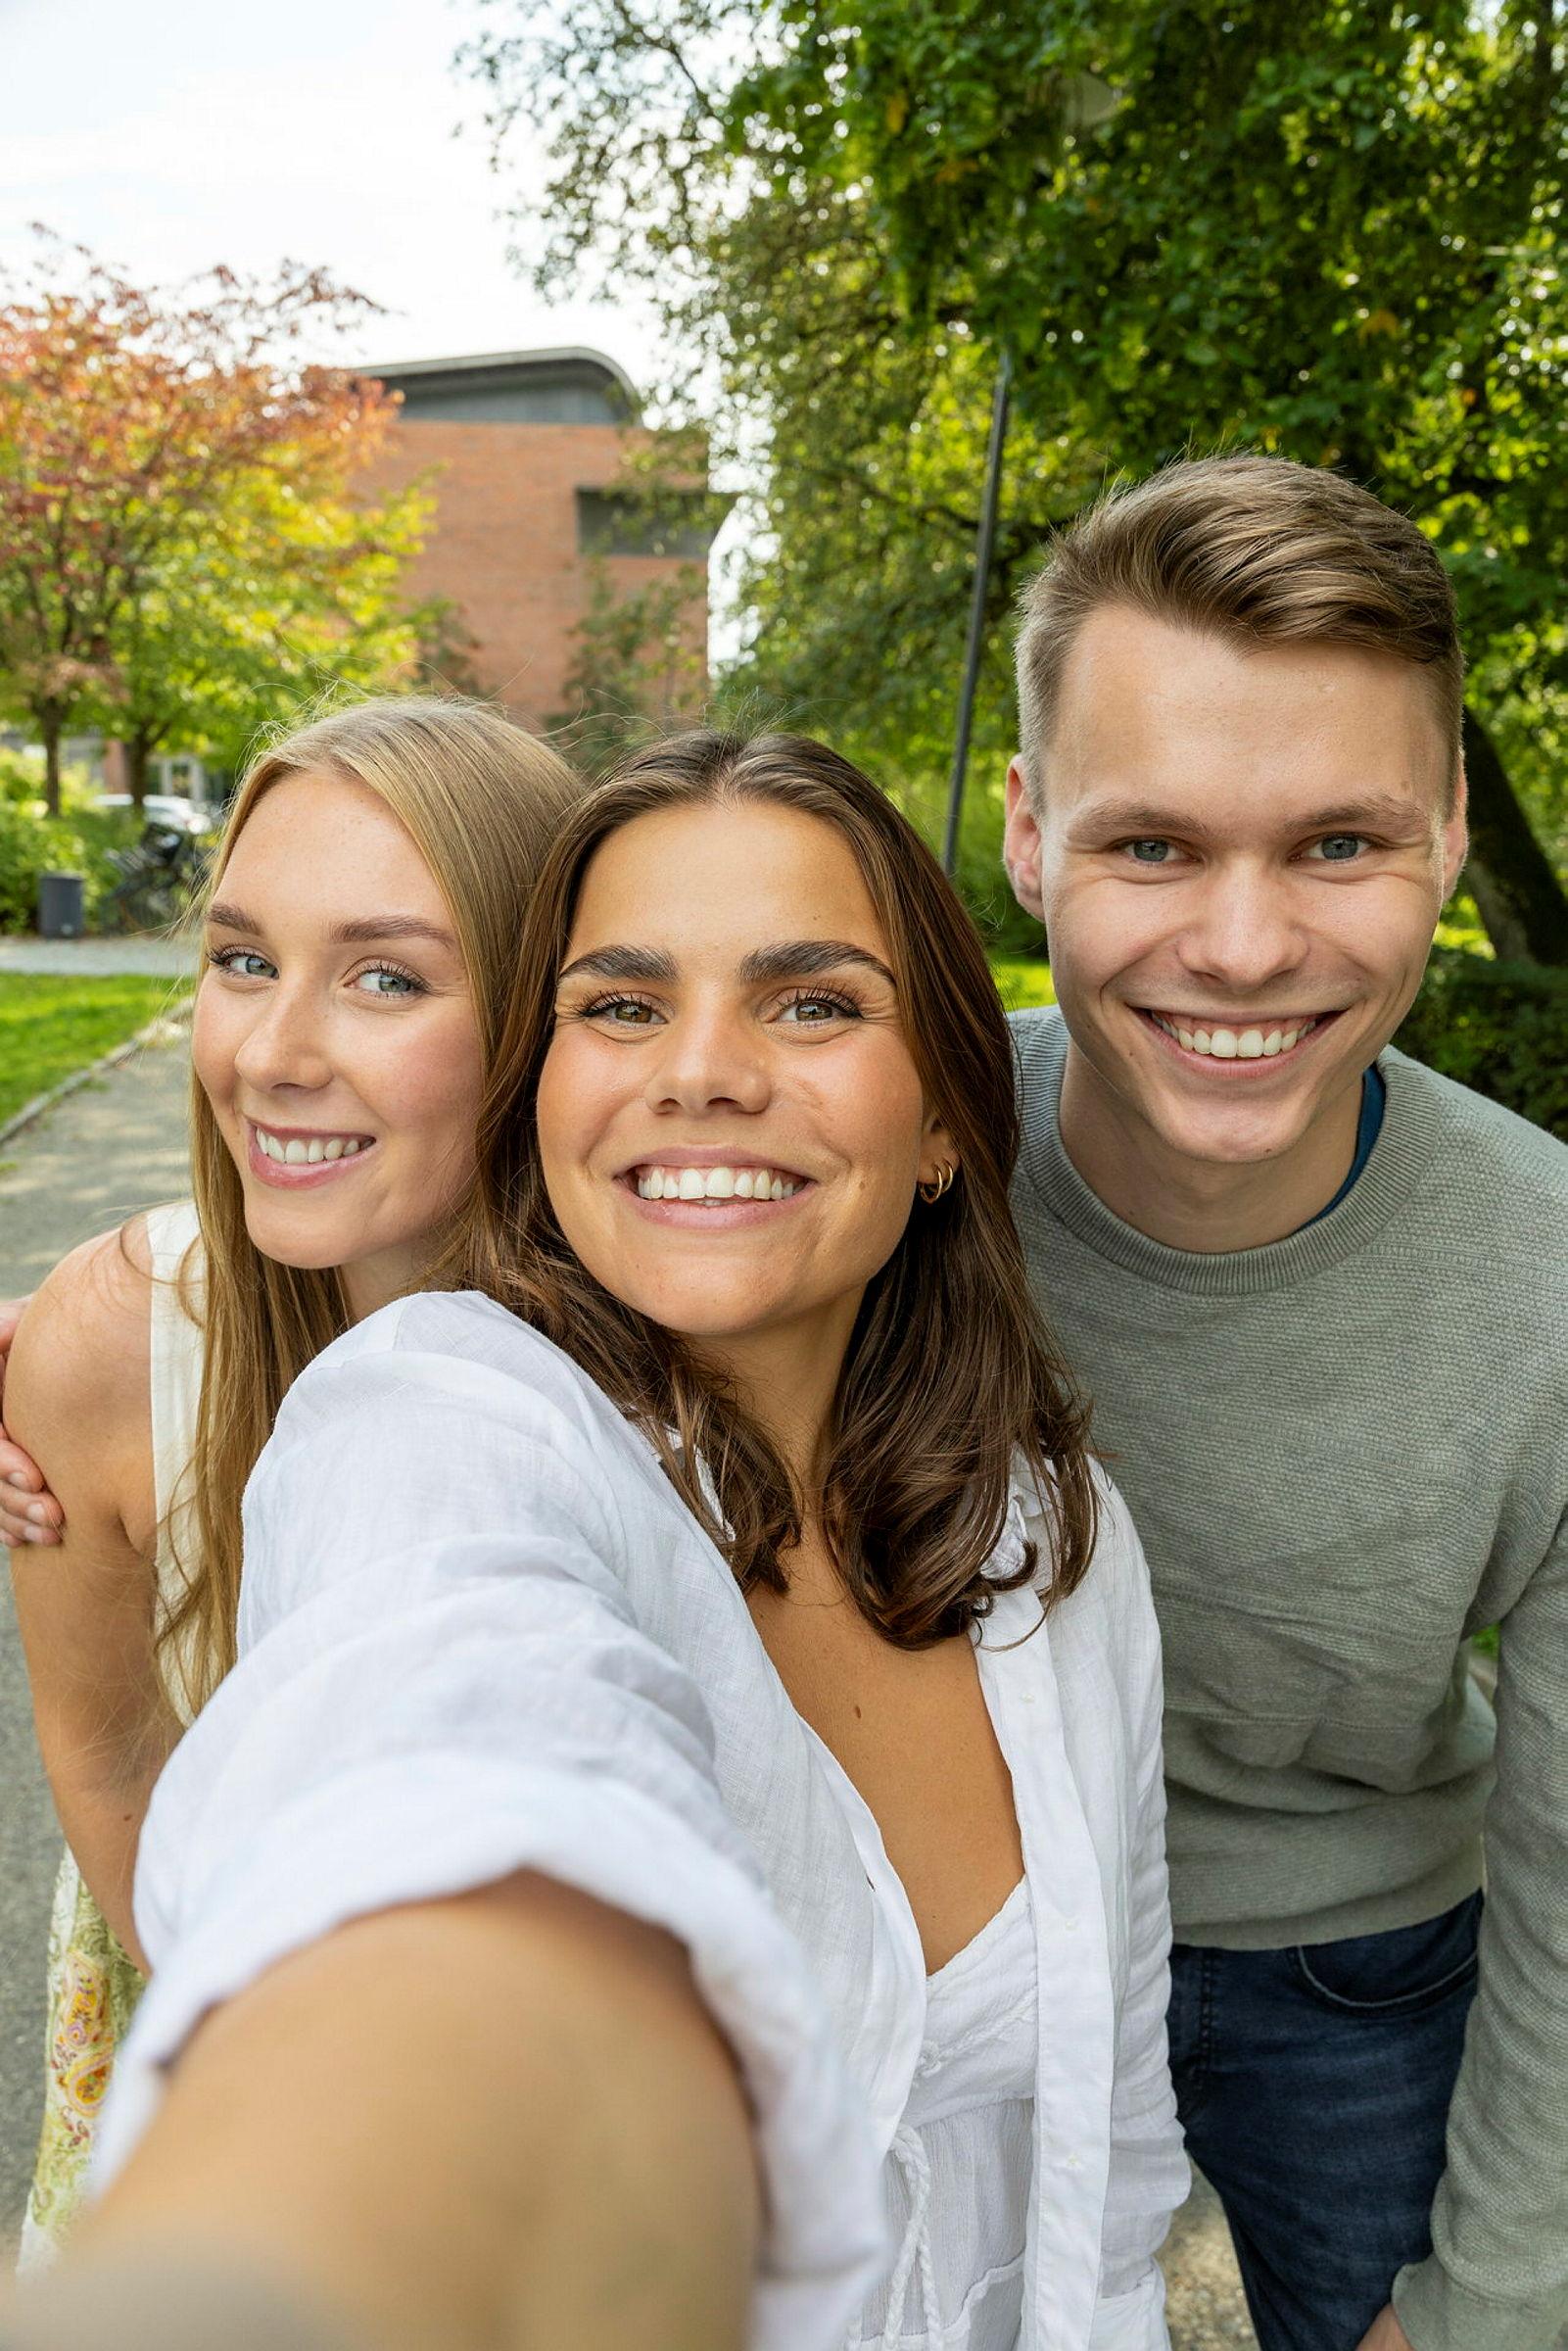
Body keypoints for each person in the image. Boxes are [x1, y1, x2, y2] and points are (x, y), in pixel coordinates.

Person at [22, 732, 1186, 2351]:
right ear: (542, 1096)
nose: (701, 1068)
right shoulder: (435, 1418)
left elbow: (1111, 2147)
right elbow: (445, 1763)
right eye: (624, 1004)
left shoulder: (1054, 1537)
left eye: (814, 1000)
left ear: (944, 1124)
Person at [1000, 456, 1568, 2351]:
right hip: (960, 1938)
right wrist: (117, 1327)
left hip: (1370, 1978)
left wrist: (1489, 2308)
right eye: (1150, 845)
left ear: (1447, 833)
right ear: (1025, 833)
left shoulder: (1550, 1279)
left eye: (1336, 843)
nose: (1241, 948)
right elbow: (503, 1241)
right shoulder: (867, 1168)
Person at [1, 693, 583, 2259]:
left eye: (384, 976)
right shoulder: (122, 1350)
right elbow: (110, 1758)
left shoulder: (670, 1360)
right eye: (242, 959)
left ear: (545, 1012)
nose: (269, 1053)